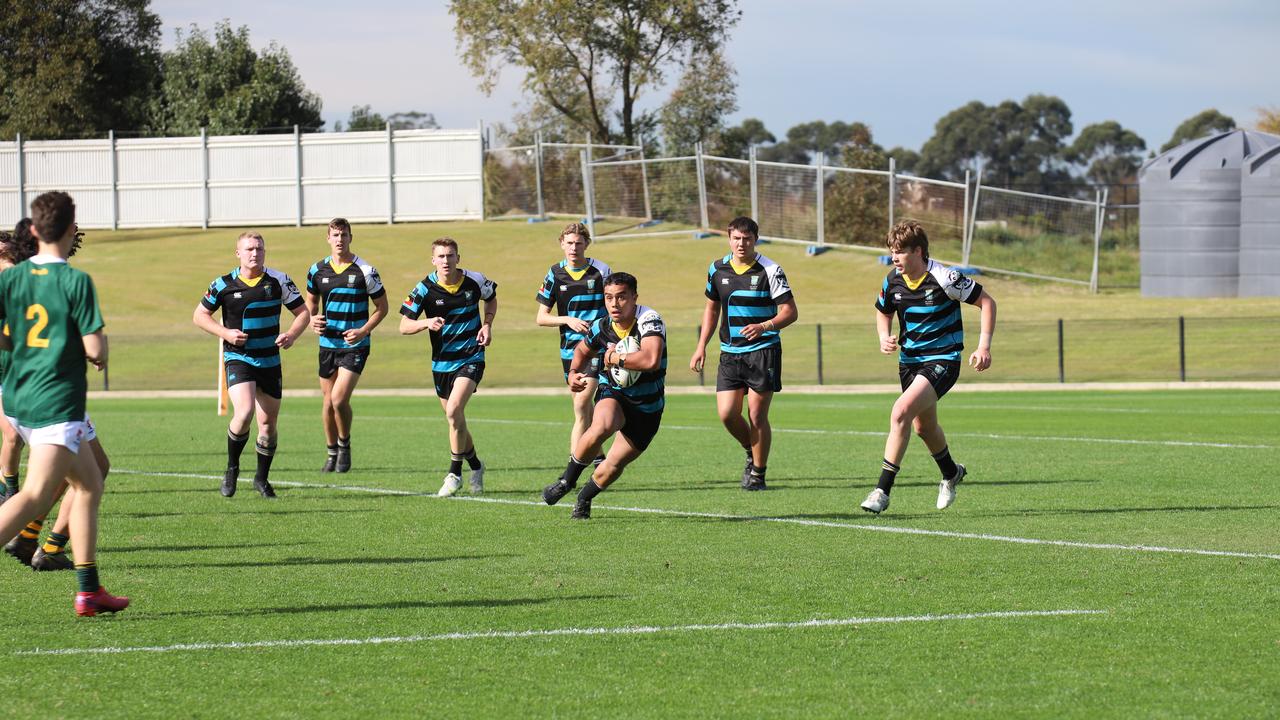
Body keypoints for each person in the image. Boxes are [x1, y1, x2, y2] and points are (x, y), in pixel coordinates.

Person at [0, 191, 127, 615]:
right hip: (55, 400)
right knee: (36, 495)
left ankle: (89, 590)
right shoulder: (75, 281)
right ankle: (80, 583)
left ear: (33, 231)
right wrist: (98, 350)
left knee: (90, 483)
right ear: (71, 229)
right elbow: (96, 349)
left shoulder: (10, 279)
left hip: (18, 398)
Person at [860, 220, 996, 515]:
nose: (894, 258)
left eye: (899, 252)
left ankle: (882, 490)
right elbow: (882, 311)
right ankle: (951, 473)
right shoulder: (892, 280)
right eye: (892, 252)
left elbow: (987, 302)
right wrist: (884, 337)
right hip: (909, 362)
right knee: (923, 427)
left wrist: (983, 346)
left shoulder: (946, 278)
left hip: (943, 360)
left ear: (918, 251)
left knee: (900, 413)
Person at [542, 272, 667, 520]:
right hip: (615, 392)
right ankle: (566, 481)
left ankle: (584, 498)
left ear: (634, 298)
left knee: (612, 466)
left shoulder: (649, 320)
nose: (614, 304)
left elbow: (651, 360)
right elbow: (582, 350)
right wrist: (573, 373)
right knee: (603, 424)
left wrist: (613, 357)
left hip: (648, 406)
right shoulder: (602, 325)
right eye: (609, 298)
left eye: (621, 297)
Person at [193, 231, 309, 498]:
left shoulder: (279, 281)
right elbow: (199, 315)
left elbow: (303, 313)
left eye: (259, 249)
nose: (254, 253)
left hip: (269, 359)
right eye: (249, 249)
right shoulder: (223, 285)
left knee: (267, 424)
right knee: (243, 412)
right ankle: (232, 468)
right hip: (239, 357)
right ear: (238, 253)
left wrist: (291, 334)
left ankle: (261, 479)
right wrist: (226, 334)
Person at [690, 217, 797, 491]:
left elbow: (790, 312)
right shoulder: (716, 269)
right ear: (729, 238)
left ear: (755, 240)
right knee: (727, 413)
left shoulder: (770, 270)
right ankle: (751, 449)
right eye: (736, 238)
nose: (741, 244)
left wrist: (765, 326)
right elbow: (712, 309)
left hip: (763, 351)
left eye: (747, 239)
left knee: (757, 415)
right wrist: (701, 345)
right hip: (730, 353)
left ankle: (758, 474)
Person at [399, 237, 497, 497]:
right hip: (442, 363)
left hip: (471, 357)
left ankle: (454, 474)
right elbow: (403, 325)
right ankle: (476, 465)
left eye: (450, 255)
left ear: (458, 258)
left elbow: (491, 298)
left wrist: (487, 324)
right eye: (441, 256)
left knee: (454, 410)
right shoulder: (424, 289)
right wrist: (425, 323)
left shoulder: (475, 280)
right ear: (433, 260)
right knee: (456, 420)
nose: (446, 260)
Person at [304, 218, 387, 473]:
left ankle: (345, 444)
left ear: (351, 237)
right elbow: (310, 305)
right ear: (328, 238)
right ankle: (331, 453)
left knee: (339, 400)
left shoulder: (366, 271)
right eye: (335, 235)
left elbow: (382, 308)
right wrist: (311, 320)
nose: (340, 240)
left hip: (355, 345)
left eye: (344, 235)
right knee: (327, 403)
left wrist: (363, 331)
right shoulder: (316, 270)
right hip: (327, 343)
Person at [534, 222, 611, 460]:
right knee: (584, 409)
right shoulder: (554, 273)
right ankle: (599, 459)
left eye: (578, 243)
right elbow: (541, 318)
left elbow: (613, 308)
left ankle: (572, 468)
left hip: (596, 348)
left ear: (587, 244)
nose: (574, 248)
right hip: (569, 351)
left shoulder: (601, 270)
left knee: (581, 407)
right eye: (569, 243)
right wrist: (567, 320)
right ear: (561, 244)